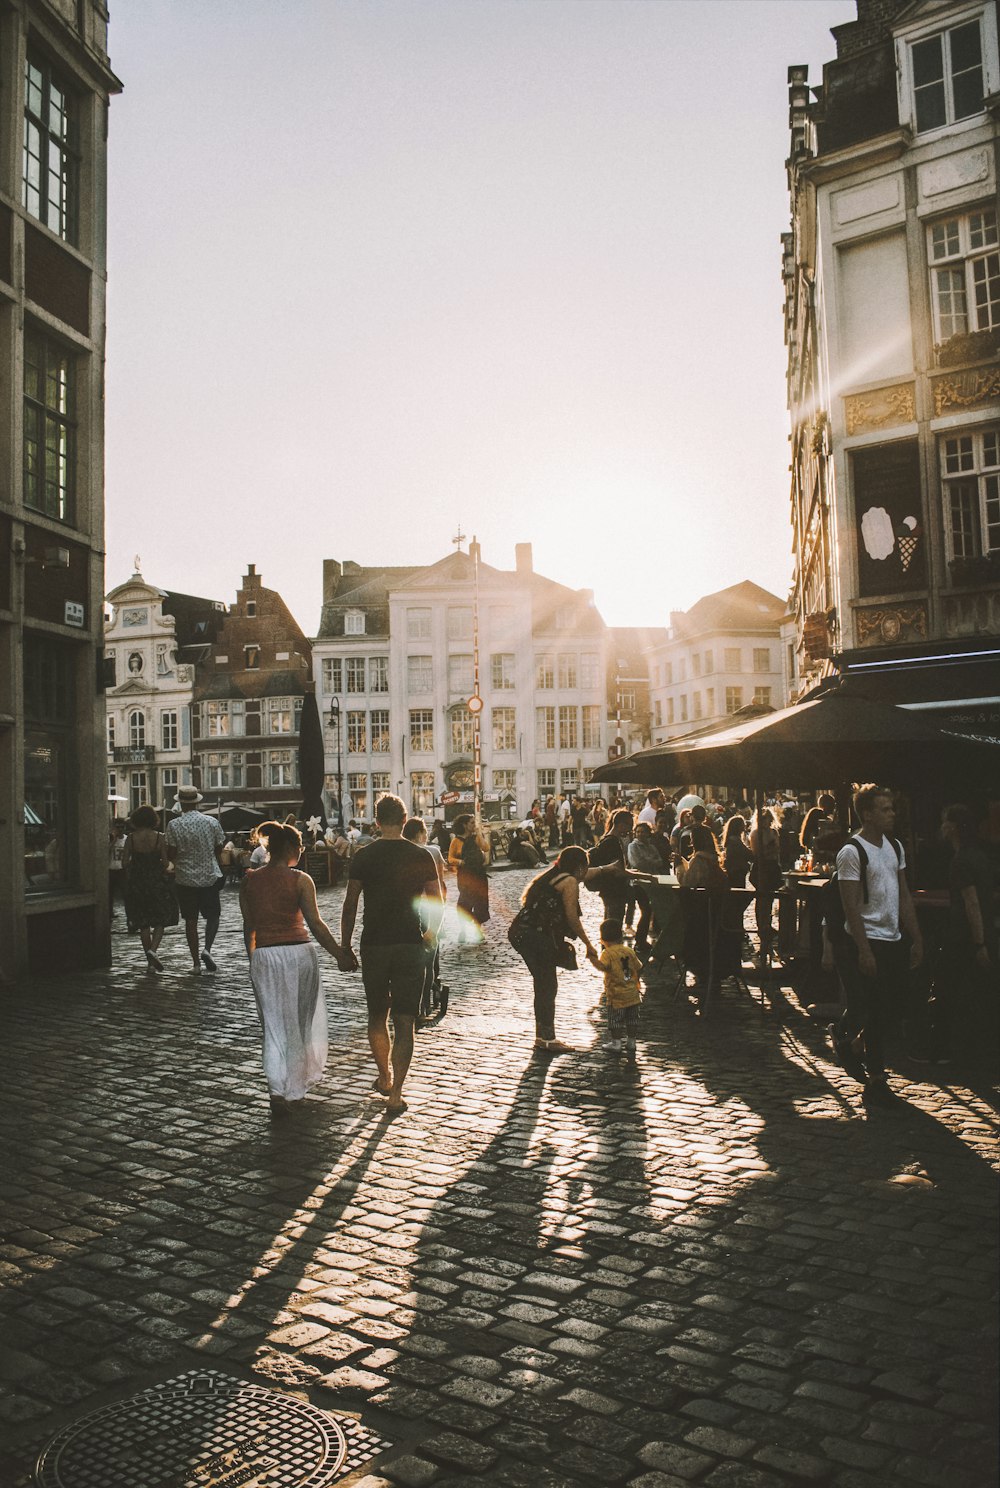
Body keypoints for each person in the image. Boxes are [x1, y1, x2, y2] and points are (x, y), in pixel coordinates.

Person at [340, 794, 443, 1114]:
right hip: (410, 942)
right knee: (405, 1019)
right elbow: (436, 900)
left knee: (376, 1015)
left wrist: (345, 945)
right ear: (404, 820)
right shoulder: (421, 854)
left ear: (376, 821)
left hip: (374, 943)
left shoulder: (364, 855)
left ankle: (383, 1075)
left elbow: (351, 902)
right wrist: (431, 935)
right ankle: (396, 1092)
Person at [240, 820, 351, 1115]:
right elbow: (315, 924)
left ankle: (276, 1088)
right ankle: (295, 1088)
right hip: (298, 952)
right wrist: (339, 953)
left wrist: (254, 960)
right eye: (301, 847)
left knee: (273, 1024)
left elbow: (249, 927)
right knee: (300, 1022)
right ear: (290, 848)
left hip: (265, 955)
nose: (302, 851)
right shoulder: (301, 879)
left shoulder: (249, 880)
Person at [829, 785, 923, 1107]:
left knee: (889, 1006)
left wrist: (916, 937)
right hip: (864, 939)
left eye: (892, 809)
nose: (892, 814)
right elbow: (850, 906)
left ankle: (849, 1045)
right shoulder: (852, 852)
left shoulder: (895, 847)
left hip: (892, 938)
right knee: (867, 1007)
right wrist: (864, 949)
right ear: (867, 814)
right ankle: (876, 1077)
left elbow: (904, 895)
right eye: (885, 809)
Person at [509, 846, 600, 1052]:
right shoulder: (569, 882)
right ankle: (547, 1039)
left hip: (520, 931)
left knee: (543, 984)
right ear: (579, 867)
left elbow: (593, 872)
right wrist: (588, 943)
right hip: (536, 936)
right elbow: (572, 917)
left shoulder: (552, 875)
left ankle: (542, 1036)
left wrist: (609, 869)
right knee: (547, 985)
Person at [164, 786, 225, 973]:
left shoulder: (174, 825)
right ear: (197, 802)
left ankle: (196, 964)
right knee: (213, 916)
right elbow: (219, 846)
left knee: (191, 920)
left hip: (185, 879)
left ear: (180, 803)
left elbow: (171, 853)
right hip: (209, 876)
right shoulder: (211, 822)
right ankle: (207, 948)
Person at [121, 805, 178, 972]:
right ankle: (153, 950)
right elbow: (166, 862)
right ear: (153, 820)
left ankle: (149, 962)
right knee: (160, 920)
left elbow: (124, 863)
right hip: (157, 882)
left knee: (143, 923)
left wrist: (136, 864)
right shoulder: (160, 837)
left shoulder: (130, 838)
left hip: (138, 883)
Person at [402, 817, 450, 1016]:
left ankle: (409, 1003)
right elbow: (440, 885)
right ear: (422, 833)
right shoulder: (433, 852)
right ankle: (424, 1006)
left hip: (409, 909)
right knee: (429, 960)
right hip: (430, 908)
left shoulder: (401, 853)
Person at [598, 917, 643, 1057]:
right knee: (632, 1019)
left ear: (603, 940)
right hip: (632, 994)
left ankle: (616, 1043)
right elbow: (639, 967)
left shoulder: (607, 953)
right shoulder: (629, 951)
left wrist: (592, 959)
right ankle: (631, 1041)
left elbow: (602, 967)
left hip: (616, 994)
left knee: (615, 1020)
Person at [586, 809, 633, 936]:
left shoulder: (605, 839)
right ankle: (610, 953)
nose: (630, 829)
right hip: (614, 891)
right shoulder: (613, 842)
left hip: (608, 890)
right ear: (621, 824)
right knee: (613, 926)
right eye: (629, 825)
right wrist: (641, 875)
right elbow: (618, 871)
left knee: (610, 924)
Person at [749, 806, 782, 964]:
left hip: (772, 868)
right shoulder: (756, 833)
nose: (766, 822)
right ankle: (762, 929)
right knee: (761, 899)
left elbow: (777, 851)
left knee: (769, 900)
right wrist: (768, 849)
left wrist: (771, 850)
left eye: (768, 819)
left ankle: (767, 927)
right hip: (761, 869)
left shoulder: (774, 832)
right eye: (763, 819)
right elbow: (757, 853)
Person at [452, 813, 491, 943]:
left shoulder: (475, 838)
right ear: (464, 825)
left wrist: (479, 833)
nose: (474, 825)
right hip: (465, 876)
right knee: (464, 903)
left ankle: (478, 931)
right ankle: (463, 930)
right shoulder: (456, 841)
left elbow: (486, 847)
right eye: (472, 823)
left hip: (479, 874)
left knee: (480, 903)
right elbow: (450, 858)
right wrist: (460, 862)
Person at [627, 821, 662, 961]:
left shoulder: (652, 847)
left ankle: (644, 940)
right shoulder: (633, 846)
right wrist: (650, 861)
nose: (640, 834)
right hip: (638, 883)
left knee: (651, 910)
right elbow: (637, 863)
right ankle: (640, 941)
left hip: (651, 883)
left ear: (648, 833)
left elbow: (659, 861)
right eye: (638, 832)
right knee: (645, 910)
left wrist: (649, 861)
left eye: (643, 832)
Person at [721, 815, 753, 888]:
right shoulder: (735, 841)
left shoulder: (731, 840)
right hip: (737, 871)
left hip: (734, 871)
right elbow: (747, 854)